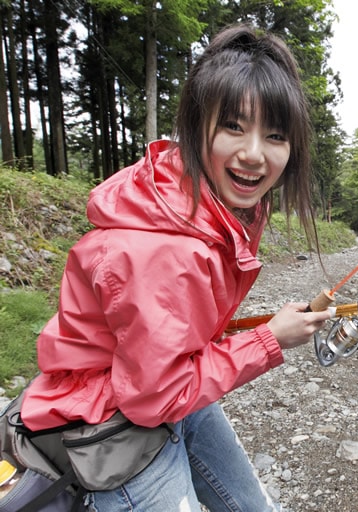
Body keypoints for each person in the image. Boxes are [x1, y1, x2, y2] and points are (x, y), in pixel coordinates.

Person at [19, 24, 331, 511]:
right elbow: (153, 398)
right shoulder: (165, 249)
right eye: (233, 126)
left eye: (274, 135)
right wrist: (270, 339)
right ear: (194, 121)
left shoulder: (208, 200)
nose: (254, 154)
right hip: (115, 424)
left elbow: (171, 338)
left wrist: (258, 327)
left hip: (165, 390)